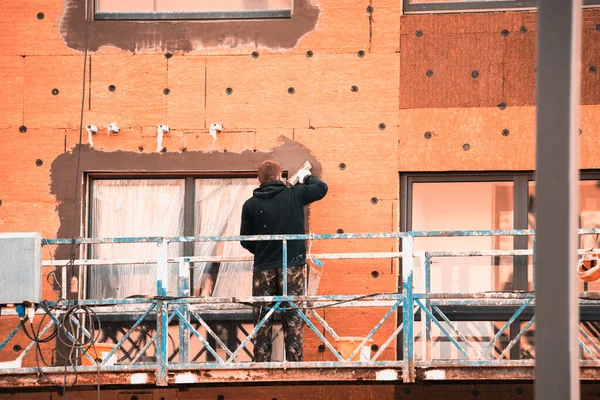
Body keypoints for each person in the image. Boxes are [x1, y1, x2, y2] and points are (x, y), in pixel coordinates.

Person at [240, 160, 328, 362]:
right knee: (293, 318)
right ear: (279, 177)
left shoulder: (250, 205)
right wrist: (306, 177)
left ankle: (262, 363)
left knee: (263, 318)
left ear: (258, 179)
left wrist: (263, 250)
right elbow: (321, 188)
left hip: (263, 268)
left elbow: (245, 240)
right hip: (293, 266)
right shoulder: (295, 195)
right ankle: (294, 363)